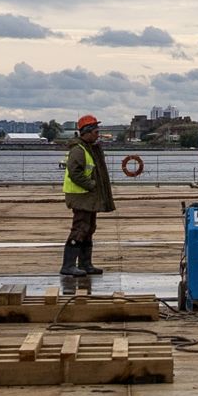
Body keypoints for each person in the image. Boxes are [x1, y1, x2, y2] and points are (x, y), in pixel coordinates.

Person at [59, 113, 115, 281]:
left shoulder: (90, 148)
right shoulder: (78, 150)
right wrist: (91, 185)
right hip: (81, 196)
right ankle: (68, 265)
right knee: (80, 229)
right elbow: (74, 173)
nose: (98, 135)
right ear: (87, 132)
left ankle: (85, 264)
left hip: (89, 197)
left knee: (89, 229)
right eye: (96, 132)